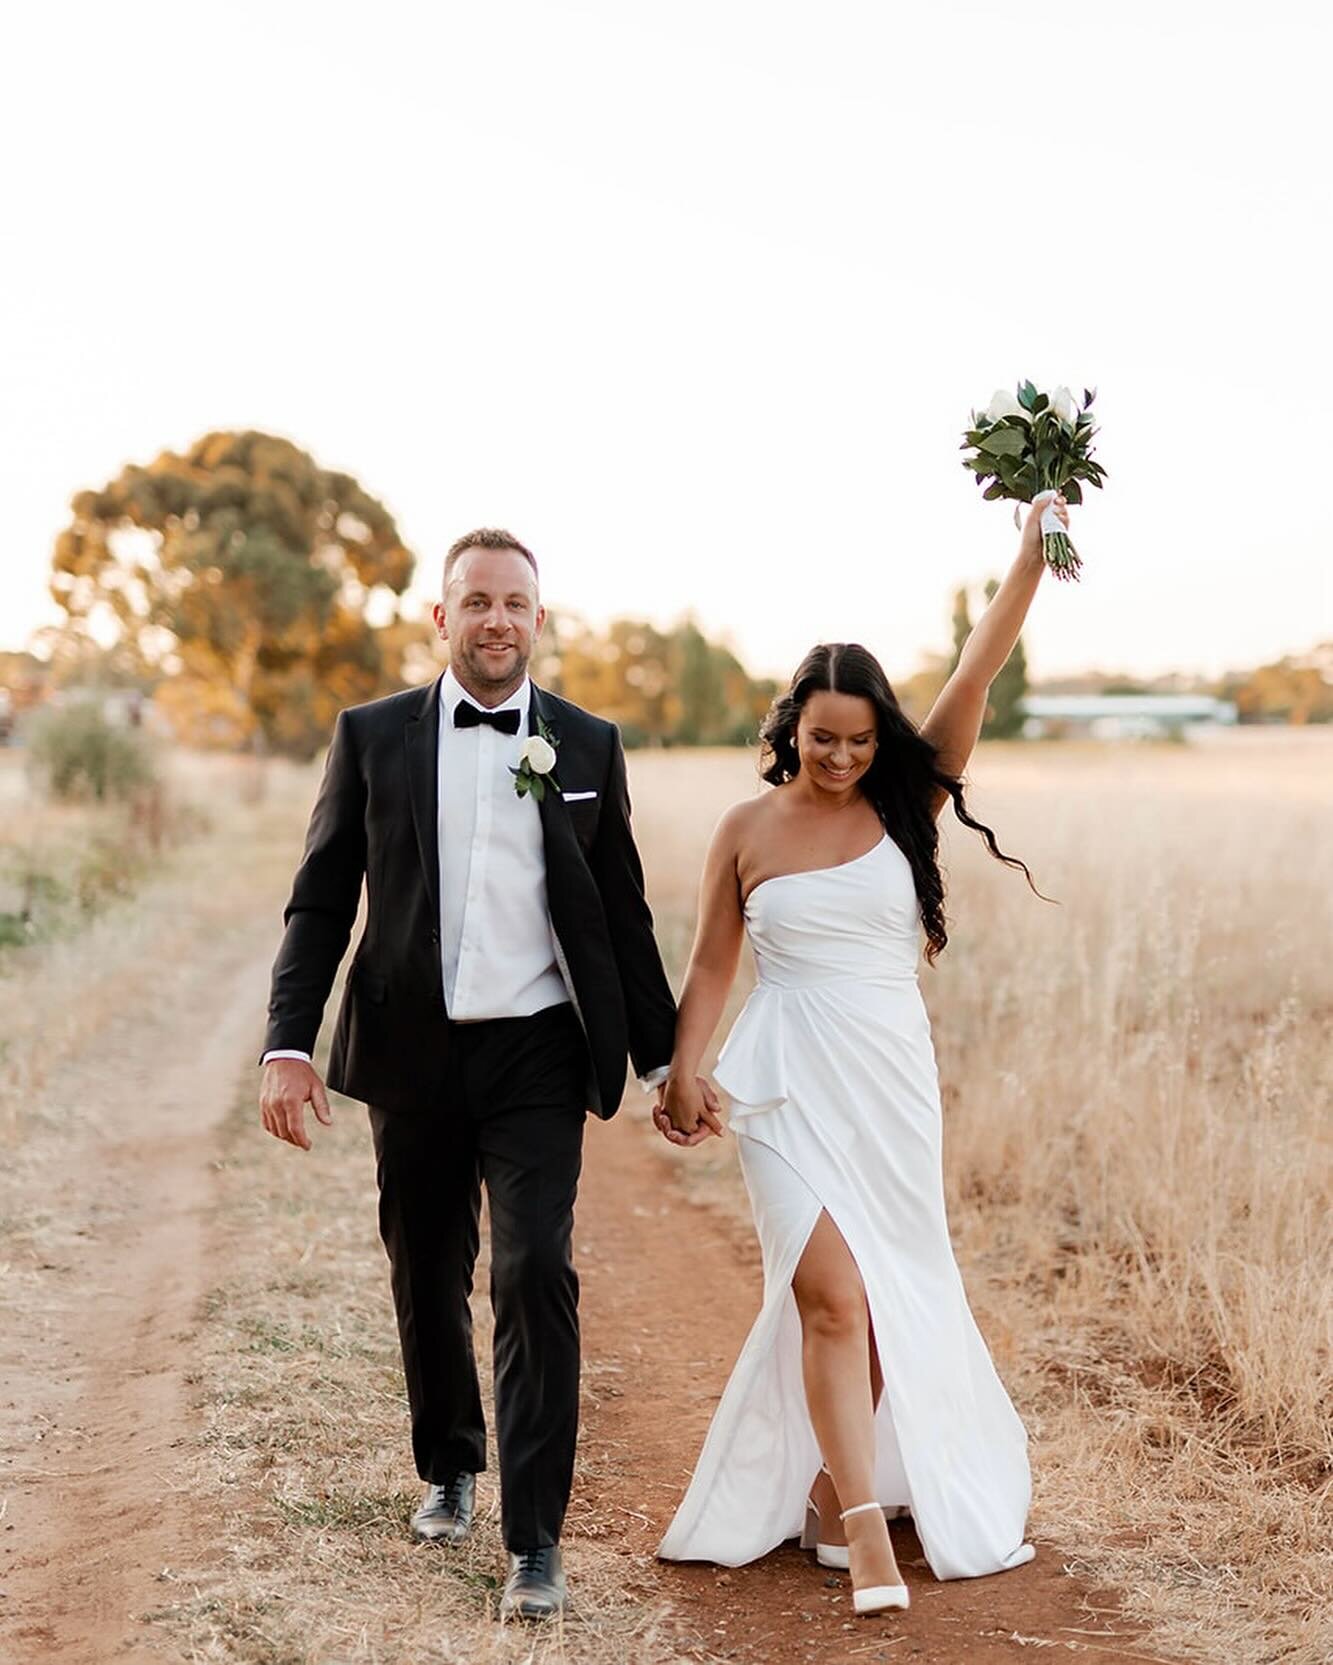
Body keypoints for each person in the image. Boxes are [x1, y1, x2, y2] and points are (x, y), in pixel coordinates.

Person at [653, 496, 1069, 1616]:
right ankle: (864, 1540)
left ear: (880, 738)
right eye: (820, 737)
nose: (838, 757)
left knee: (879, 1296)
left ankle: (832, 1493)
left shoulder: (905, 801)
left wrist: (1027, 555)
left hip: (886, 1078)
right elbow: (707, 968)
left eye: (858, 739)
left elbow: (976, 674)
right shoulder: (743, 832)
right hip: (784, 1081)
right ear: (791, 727)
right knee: (830, 1295)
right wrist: (682, 1069)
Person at [259, 528, 683, 1621]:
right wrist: (289, 1043)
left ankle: (534, 1541)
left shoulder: (586, 745)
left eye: (516, 604)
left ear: (539, 622)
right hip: (410, 1044)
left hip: (537, 1048)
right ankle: (449, 1459)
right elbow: (321, 899)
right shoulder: (372, 739)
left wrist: (668, 1056)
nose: (497, 620)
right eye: (476, 602)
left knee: (535, 1269)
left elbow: (621, 915)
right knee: (423, 1265)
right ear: (440, 620)